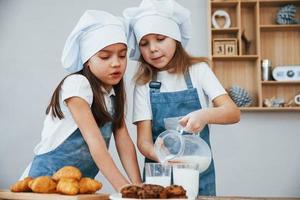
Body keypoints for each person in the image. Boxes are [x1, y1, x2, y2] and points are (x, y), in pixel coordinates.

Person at [123, 0, 240, 196]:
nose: (152, 48)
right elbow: (143, 142)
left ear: (175, 38)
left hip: (198, 174)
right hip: (158, 177)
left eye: (160, 38)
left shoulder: (198, 71)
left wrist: (204, 115)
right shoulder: (144, 83)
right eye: (144, 43)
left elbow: (233, 113)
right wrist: (164, 158)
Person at [21, 10, 142, 191]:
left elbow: (124, 143)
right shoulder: (77, 85)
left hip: (76, 189)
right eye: (104, 56)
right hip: (41, 185)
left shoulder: (112, 96)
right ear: (87, 61)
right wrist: (126, 190)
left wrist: (139, 185)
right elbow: (96, 145)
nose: (116, 63)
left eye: (122, 55)